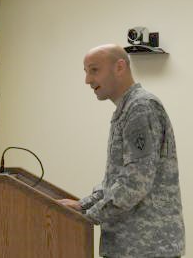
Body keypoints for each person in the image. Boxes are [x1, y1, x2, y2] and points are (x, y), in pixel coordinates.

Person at [57, 44, 185, 258]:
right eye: (86, 72)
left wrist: (89, 216)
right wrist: (83, 205)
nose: (88, 80)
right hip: (131, 247)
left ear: (119, 67)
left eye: (94, 70)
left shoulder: (140, 108)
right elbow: (117, 179)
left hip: (146, 248)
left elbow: (136, 182)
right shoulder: (127, 109)